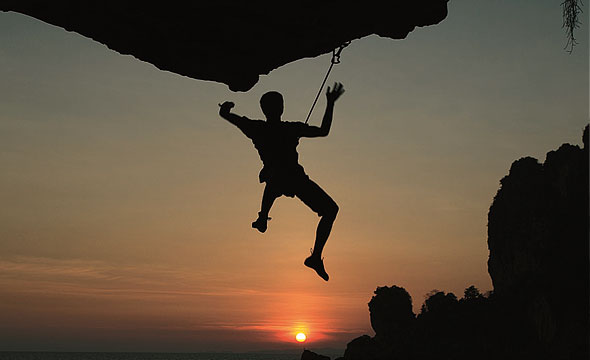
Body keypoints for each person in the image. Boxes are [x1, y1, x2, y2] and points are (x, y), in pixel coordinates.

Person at [218, 82, 345, 281]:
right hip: (293, 178)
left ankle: (263, 217)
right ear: (281, 108)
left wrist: (226, 108)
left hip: (282, 178)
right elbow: (323, 131)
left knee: (274, 180)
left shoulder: (257, 128)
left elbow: (227, 116)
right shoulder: (288, 129)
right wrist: (330, 103)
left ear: (264, 109)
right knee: (329, 209)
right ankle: (314, 256)